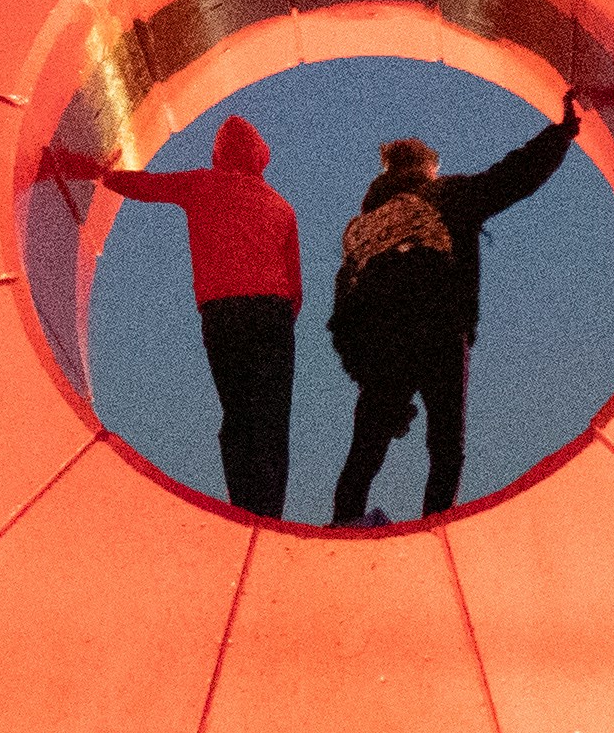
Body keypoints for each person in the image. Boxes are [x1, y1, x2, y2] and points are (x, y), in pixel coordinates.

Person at [324, 111, 585, 523]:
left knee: (365, 449)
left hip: (382, 346)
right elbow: (510, 178)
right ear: (427, 169)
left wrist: (366, 371)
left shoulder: (360, 227)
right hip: (440, 330)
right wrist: (561, 134)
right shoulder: (443, 195)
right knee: (446, 446)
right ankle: (435, 529)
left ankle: (342, 528)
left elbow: (342, 311)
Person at [59, 115, 302, 520]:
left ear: (220, 155)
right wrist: (278, 323)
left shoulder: (203, 184)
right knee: (274, 417)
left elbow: (144, 187)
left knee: (237, 412)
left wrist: (96, 171)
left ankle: (244, 510)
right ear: (261, 157)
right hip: (272, 313)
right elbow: (296, 288)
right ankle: (270, 513)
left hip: (222, 313)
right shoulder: (281, 206)